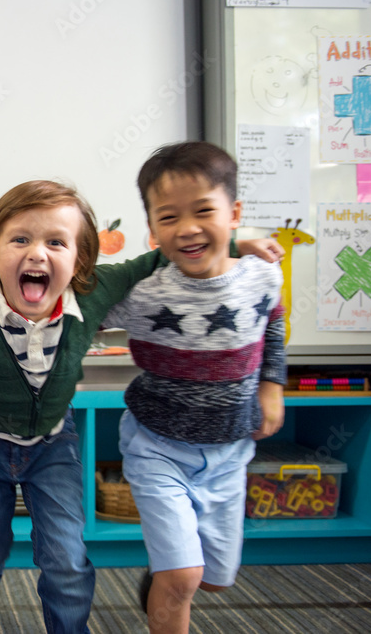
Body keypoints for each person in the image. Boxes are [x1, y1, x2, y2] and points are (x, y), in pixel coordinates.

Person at [0, 179, 282, 634]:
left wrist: (237, 241)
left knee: (65, 557)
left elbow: (163, 255)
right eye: (19, 240)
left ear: (80, 259)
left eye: (56, 242)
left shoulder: (95, 290)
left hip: (53, 443)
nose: (37, 253)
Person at [101, 141, 285, 634]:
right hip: (156, 447)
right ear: (153, 231)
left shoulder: (263, 274)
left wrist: (272, 385)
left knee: (214, 579)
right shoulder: (143, 293)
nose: (187, 228)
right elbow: (80, 295)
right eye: (169, 217)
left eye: (204, 211)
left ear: (235, 213)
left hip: (231, 453)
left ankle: (164, 581)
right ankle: (172, 579)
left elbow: (273, 322)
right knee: (184, 575)